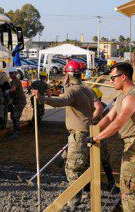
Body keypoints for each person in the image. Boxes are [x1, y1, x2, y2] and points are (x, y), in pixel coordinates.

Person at [33, 60, 103, 210]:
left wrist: (42, 98)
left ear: (68, 74)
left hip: (78, 135)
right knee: (84, 166)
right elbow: (99, 108)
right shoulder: (86, 89)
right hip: (86, 131)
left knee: (72, 169)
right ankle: (86, 195)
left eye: (65, 73)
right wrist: (91, 119)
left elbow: (60, 101)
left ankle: (74, 199)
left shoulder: (73, 92)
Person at [87, 62, 135, 211]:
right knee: (125, 183)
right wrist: (93, 130)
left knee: (130, 188)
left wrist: (96, 138)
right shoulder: (122, 96)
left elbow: (117, 124)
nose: (110, 81)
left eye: (112, 78)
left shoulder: (131, 97)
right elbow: (109, 118)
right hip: (129, 144)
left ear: (123, 77)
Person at [91, 87, 117, 191]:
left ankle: (110, 182)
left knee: (101, 159)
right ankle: (110, 182)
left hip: (98, 135)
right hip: (100, 136)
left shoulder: (100, 107)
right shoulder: (102, 106)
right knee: (104, 160)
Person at [8, 67, 26, 139]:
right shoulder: (13, 81)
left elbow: (13, 89)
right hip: (17, 101)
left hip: (20, 101)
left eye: (13, 73)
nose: (12, 74)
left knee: (15, 117)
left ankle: (16, 133)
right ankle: (16, 132)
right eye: (11, 73)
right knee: (13, 116)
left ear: (16, 73)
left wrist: (7, 91)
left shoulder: (16, 80)